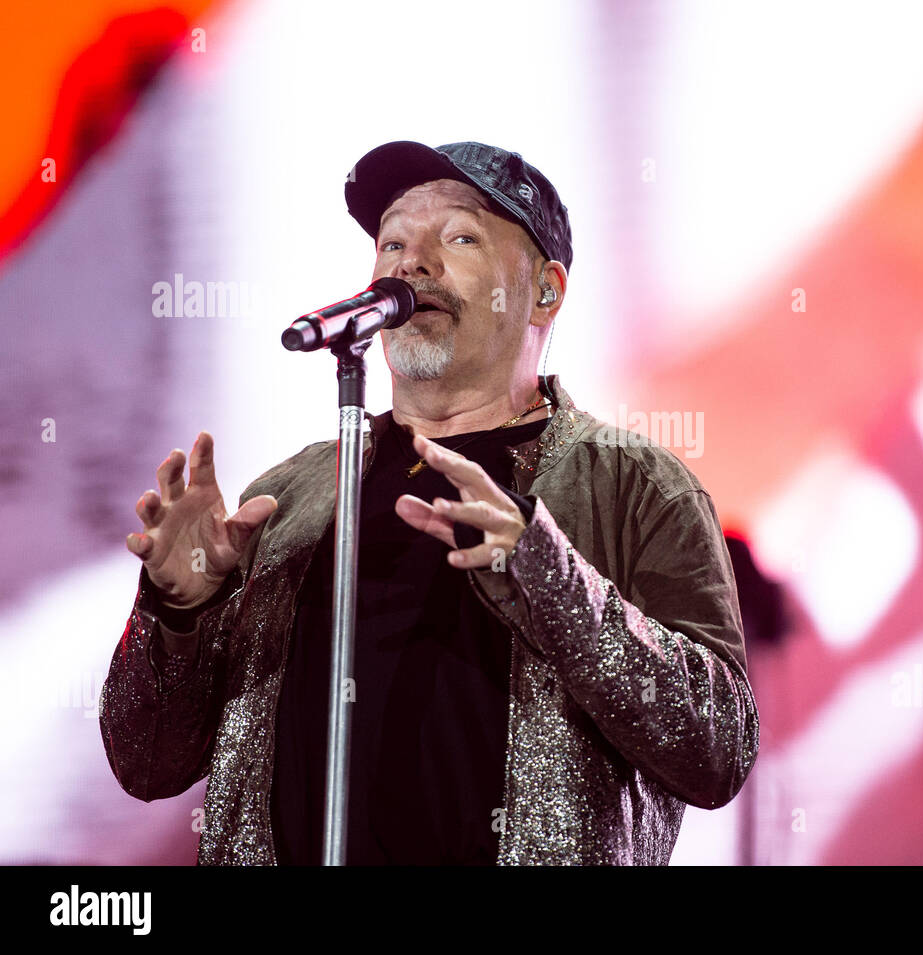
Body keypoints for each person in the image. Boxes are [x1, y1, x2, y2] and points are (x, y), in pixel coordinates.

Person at [99, 140, 760, 865]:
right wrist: (179, 611)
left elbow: (718, 749)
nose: (410, 264)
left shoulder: (637, 487)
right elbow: (147, 761)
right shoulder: (285, 500)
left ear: (545, 289)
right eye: (393, 242)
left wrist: (550, 577)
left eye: (460, 237)